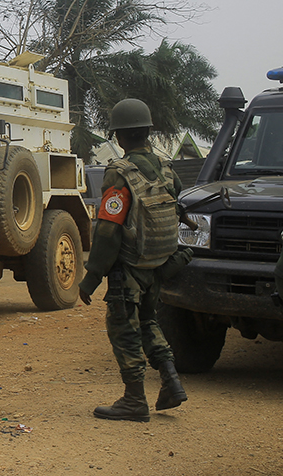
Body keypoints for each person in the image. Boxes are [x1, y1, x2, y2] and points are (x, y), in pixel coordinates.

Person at [78, 98, 194, 422]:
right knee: (148, 322)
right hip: (156, 262)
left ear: (119, 136)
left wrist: (92, 277)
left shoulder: (120, 173)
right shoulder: (166, 167)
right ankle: (170, 380)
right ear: (146, 132)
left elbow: (108, 230)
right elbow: (175, 203)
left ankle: (134, 400)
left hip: (128, 267)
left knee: (123, 328)